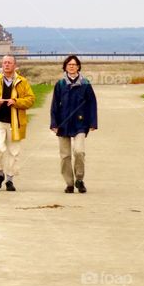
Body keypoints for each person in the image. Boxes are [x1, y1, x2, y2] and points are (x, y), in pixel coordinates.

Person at [0, 55, 36, 192]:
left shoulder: (22, 82)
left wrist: (16, 102)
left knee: (13, 152)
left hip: (15, 122)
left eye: (9, 63)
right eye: (4, 62)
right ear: (2, 65)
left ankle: (10, 180)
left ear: (14, 65)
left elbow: (30, 100)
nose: (6, 65)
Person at [49, 55, 98, 193]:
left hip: (80, 124)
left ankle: (80, 179)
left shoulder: (86, 83)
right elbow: (54, 106)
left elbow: (92, 103)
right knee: (65, 156)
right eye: (69, 64)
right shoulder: (60, 84)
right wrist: (54, 123)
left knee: (79, 152)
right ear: (65, 67)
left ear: (78, 67)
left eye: (74, 64)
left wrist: (93, 122)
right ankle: (69, 183)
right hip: (63, 123)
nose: (71, 66)